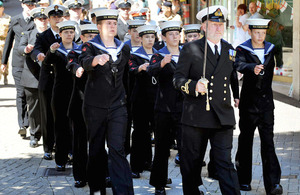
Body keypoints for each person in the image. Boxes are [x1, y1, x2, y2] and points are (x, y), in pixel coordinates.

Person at [173, 6, 240, 194]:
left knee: (224, 162)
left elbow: (231, 75)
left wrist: (236, 95)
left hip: (223, 114)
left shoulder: (229, 49)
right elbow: (177, 79)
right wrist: (194, 86)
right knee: (192, 162)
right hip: (197, 115)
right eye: (213, 24)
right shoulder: (190, 48)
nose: (218, 28)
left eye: (221, 25)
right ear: (203, 26)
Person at [79, 9, 133, 195]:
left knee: (117, 148)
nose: (112, 26)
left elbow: (128, 75)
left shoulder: (123, 47)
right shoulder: (90, 46)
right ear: (99, 26)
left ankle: (123, 191)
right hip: (95, 107)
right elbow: (84, 61)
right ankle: (97, 187)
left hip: (118, 106)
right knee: (96, 148)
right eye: (108, 23)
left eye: (114, 23)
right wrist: (95, 60)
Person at [234, 18, 283, 195]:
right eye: (257, 32)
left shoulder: (271, 48)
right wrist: (250, 67)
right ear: (250, 31)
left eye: (263, 33)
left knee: (268, 143)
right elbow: (237, 64)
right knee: (245, 141)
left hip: (266, 105)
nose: (260, 36)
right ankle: (243, 180)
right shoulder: (242, 49)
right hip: (248, 105)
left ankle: (273, 184)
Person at [147, 20, 183, 195]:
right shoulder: (159, 55)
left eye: (177, 34)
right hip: (164, 109)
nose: (175, 37)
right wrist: (161, 64)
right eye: (171, 34)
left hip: (184, 109)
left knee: (188, 149)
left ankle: (193, 185)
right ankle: (159, 185)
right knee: (162, 148)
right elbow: (150, 71)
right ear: (163, 37)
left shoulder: (187, 53)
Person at [31, 4, 66, 160]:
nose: (57, 19)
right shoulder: (44, 35)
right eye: (54, 17)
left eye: (59, 17)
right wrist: (38, 54)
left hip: (64, 80)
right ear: (49, 19)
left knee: (64, 114)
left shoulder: (68, 33)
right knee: (47, 115)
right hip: (48, 79)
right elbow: (36, 49)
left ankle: (64, 146)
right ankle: (48, 147)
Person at [66, 23, 99, 188]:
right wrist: (77, 68)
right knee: (80, 143)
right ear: (82, 37)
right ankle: (80, 176)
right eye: (89, 37)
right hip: (80, 103)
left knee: (99, 141)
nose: (92, 40)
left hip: (99, 105)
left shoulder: (103, 52)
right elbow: (71, 63)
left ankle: (101, 174)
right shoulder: (75, 52)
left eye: (94, 36)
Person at [1, 0, 36, 138]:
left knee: (31, 95)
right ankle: (22, 124)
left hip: (33, 63)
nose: (30, 7)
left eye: (32, 5)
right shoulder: (15, 20)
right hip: (19, 62)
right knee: (20, 93)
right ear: (22, 5)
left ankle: (33, 124)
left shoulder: (37, 20)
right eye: (28, 5)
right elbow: (9, 41)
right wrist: (4, 61)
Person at [128, 24, 157, 179]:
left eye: (152, 37)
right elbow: (131, 70)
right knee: (139, 132)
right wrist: (140, 68)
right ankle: (135, 166)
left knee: (152, 133)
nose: (150, 40)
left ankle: (148, 161)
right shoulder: (134, 55)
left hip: (155, 99)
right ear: (140, 38)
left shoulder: (158, 55)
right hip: (140, 99)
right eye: (146, 37)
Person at [18, 7, 48, 148]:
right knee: (34, 108)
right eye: (39, 19)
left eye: (45, 18)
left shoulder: (52, 35)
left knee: (49, 109)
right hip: (32, 77)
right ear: (35, 20)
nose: (43, 21)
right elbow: (20, 47)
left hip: (49, 77)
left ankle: (50, 138)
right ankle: (35, 135)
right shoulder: (29, 33)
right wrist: (26, 49)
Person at [0, 1, 10, 85]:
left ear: (2, 8)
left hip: (4, 41)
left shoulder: (8, 18)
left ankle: (5, 75)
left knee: (4, 60)